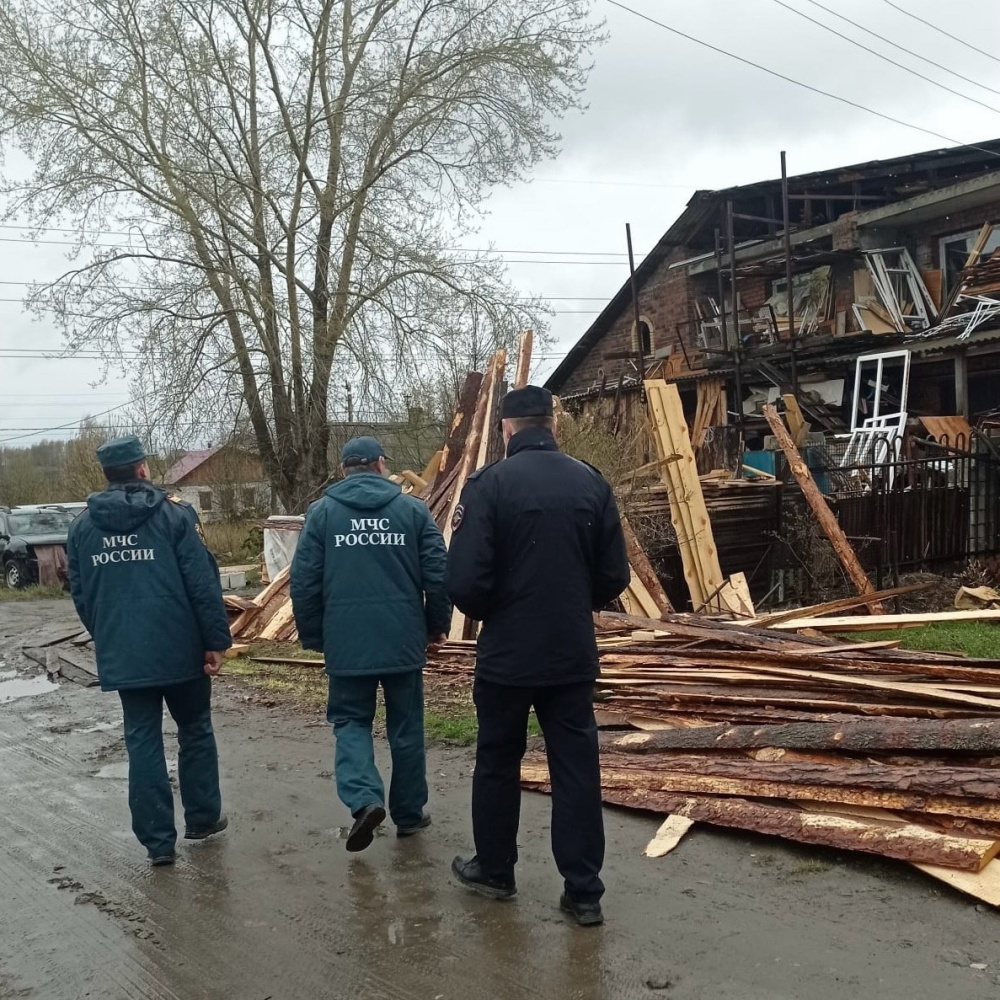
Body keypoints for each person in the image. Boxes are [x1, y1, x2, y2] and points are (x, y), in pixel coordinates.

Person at [446, 385, 630, 927]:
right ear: (553, 423)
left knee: (498, 759)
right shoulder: (591, 482)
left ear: (506, 429)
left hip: (507, 652)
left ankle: (496, 870)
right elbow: (613, 575)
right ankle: (584, 891)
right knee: (576, 767)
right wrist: (573, 601)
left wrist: (497, 608)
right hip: (571, 650)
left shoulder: (489, 486)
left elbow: (465, 581)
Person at [66, 435, 232, 867]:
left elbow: (82, 596)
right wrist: (216, 641)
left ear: (108, 473)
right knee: (194, 728)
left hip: (125, 653)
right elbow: (203, 584)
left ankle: (158, 843)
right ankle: (202, 818)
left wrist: (109, 634)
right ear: (142, 468)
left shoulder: (83, 527)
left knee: (142, 739)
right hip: (182, 650)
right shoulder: (174, 515)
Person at [290, 436, 451, 852]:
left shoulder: (322, 515)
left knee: (350, 722)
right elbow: (438, 574)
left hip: (347, 642)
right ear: (381, 465)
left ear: (345, 469)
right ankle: (410, 815)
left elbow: (304, 583)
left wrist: (314, 637)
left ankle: (364, 800)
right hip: (402, 640)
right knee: (406, 727)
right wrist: (436, 628)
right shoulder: (413, 511)